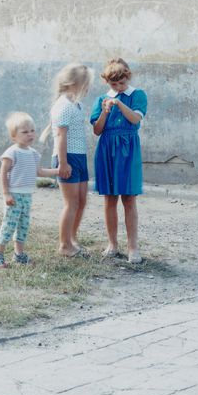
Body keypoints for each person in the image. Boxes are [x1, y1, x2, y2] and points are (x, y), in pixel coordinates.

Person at [90, 57, 147, 264]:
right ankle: (112, 244)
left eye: (122, 83)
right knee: (109, 199)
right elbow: (97, 130)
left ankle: (133, 247)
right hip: (107, 149)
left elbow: (135, 119)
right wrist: (105, 112)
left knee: (129, 198)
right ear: (107, 83)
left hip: (128, 149)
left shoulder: (138, 95)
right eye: (114, 85)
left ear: (128, 77)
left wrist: (120, 103)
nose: (119, 87)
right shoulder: (101, 100)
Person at [0, 112, 59, 269]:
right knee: (9, 224)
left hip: (27, 195)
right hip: (14, 195)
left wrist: (57, 171)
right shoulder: (12, 152)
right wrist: (6, 193)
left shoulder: (33, 154)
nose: (30, 134)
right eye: (25, 132)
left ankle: (19, 255)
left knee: (23, 225)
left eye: (32, 131)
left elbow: (40, 172)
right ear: (14, 136)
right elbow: (3, 173)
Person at [48, 63, 94, 257]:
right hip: (67, 157)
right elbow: (60, 136)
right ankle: (64, 245)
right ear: (75, 83)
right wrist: (64, 162)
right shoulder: (63, 106)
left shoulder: (76, 104)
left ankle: (72, 239)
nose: (88, 87)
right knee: (71, 203)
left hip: (79, 157)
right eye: (85, 83)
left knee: (82, 201)